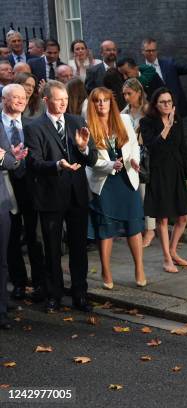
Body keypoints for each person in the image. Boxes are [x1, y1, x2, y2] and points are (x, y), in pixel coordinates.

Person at [24, 80, 98, 313]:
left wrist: (84, 148)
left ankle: (80, 294)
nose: (64, 103)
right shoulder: (35, 127)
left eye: (66, 99)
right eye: (59, 99)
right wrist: (57, 164)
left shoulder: (77, 121)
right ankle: (54, 294)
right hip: (50, 196)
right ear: (46, 100)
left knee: (78, 248)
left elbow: (92, 157)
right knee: (52, 249)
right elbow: (34, 162)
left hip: (77, 196)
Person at [85, 87, 146, 289]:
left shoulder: (125, 120)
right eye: (98, 101)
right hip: (105, 182)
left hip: (127, 179)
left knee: (134, 226)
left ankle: (139, 268)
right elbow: (90, 160)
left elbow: (134, 148)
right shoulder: (87, 126)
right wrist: (111, 165)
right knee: (106, 228)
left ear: (112, 103)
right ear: (93, 104)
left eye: (106, 100)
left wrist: (135, 162)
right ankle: (106, 271)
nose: (102, 104)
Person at [140, 88, 187, 273]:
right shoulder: (147, 122)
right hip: (158, 173)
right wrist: (167, 126)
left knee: (184, 215)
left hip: (176, 173)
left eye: (169, 101)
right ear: (155, 104)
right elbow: (154, 148)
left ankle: (173, 250)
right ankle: (166, 258)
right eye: (162, 102)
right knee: (162, 218)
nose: (167, 105)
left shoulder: (177, 122)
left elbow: (183, 149)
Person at [1, 84, 46, 302]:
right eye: (15, 97)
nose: (20, 100)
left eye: (23, 97)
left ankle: (39, 283)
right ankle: (18, 282)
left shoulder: (32, 125)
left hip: (31, 188)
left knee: (34, 237)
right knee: (11, 238)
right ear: (4, 99)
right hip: (6, 187)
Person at [0, 86, 29, 329]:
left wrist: (8, 157)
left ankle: (1, 310)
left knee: (2, 258)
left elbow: (9, 161)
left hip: (2, 201)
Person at [121, 78, 156, 247]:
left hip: (145, 156)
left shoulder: (148, 110)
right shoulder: (124, 112)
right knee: (134, 192)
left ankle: (150, 230)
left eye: (130, 93)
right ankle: (137, 227)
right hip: (130, 156)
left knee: (145, 193)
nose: (127, 97)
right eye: (124, 94)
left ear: (139, 93)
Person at [141, 38, 187, 117]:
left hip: (176, 109)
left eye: (153, 50)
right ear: (142, 51)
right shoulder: (141, 71)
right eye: (148, 50)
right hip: (156, 113)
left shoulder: (169, 64)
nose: (151, 53)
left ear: (157, 51)